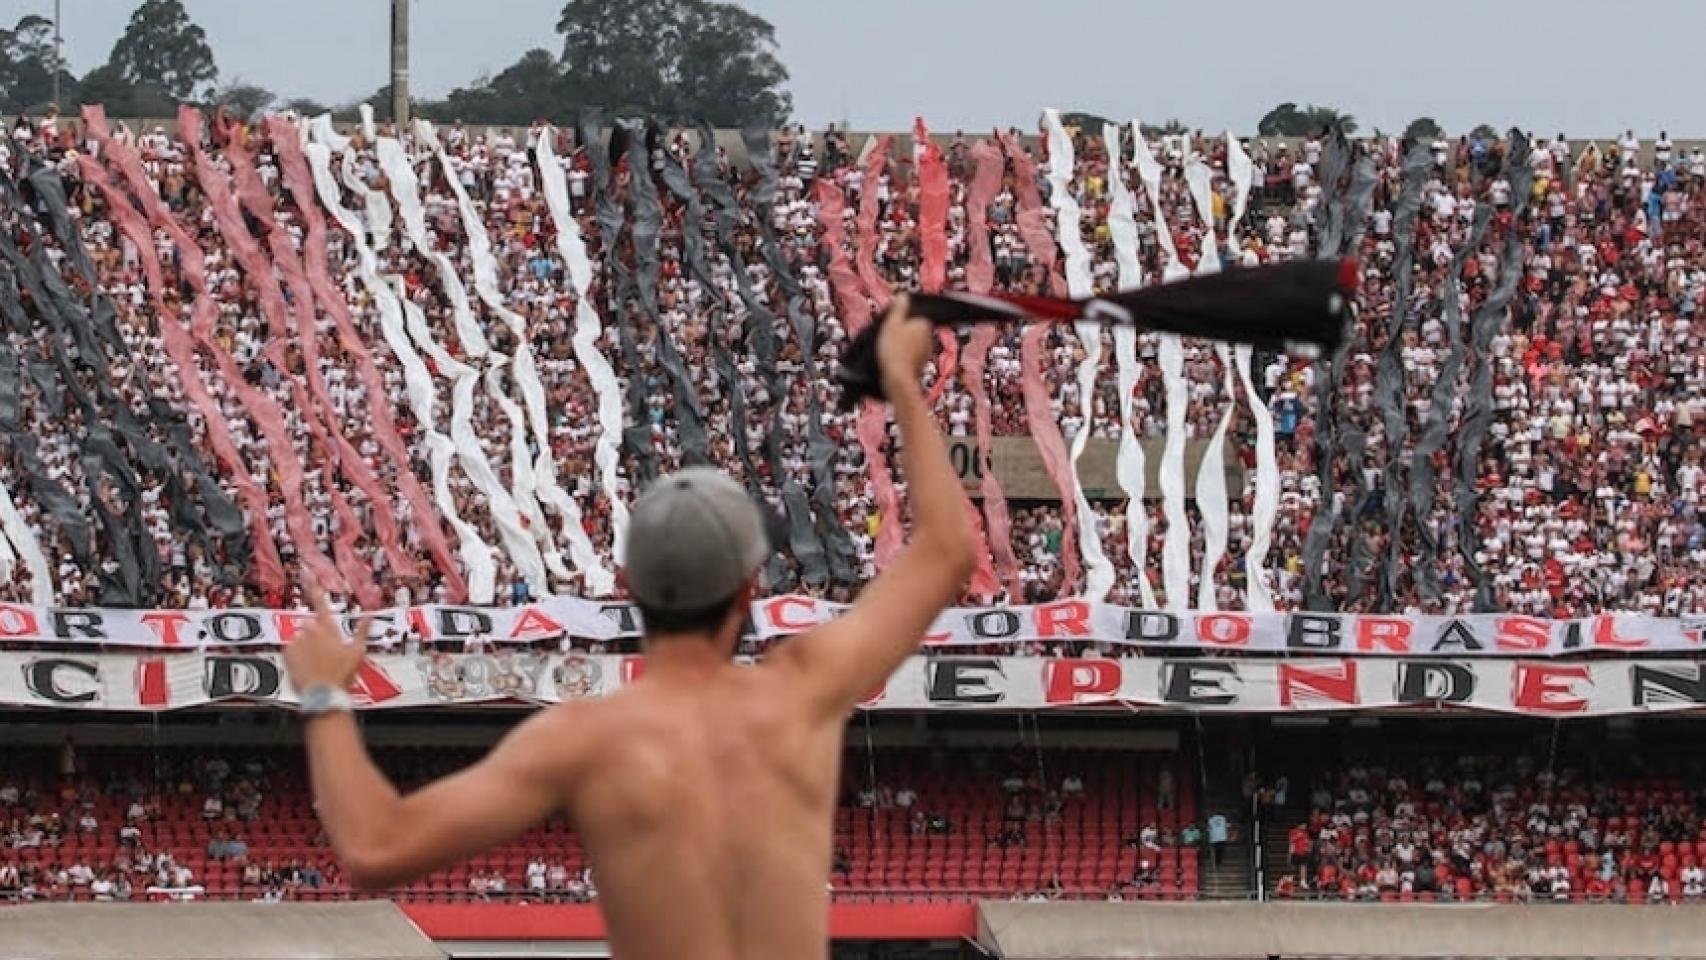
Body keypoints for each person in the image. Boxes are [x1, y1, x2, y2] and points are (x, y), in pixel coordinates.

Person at [284, 295, 975, 960]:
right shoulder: (803, 689)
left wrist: (324, 696)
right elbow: (945, 550)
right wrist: (902, 389)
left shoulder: (587, 738)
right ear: (748, 589)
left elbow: (377, 848)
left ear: (630, 589)